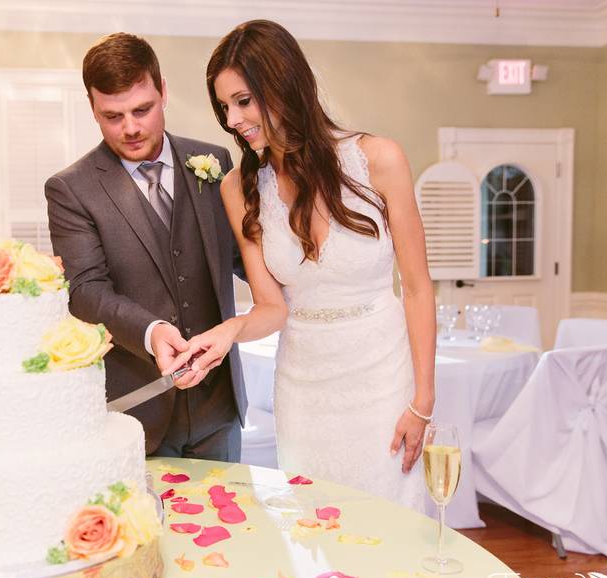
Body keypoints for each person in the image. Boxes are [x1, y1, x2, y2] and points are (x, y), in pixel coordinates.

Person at [187, 20, 436, 510]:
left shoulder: (380, 159)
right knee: (317, 532)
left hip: (383, 379)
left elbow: (418, 287)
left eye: (243, 101)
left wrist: (422, 400)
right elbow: (271, 308)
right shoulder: (239, 190)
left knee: (392, 526)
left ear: (282, 84)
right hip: (303, 390)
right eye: (224, 107)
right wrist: (227, 332)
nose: (233, 120)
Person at [45, 32, 247, 462]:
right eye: (112, 116)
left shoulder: (215, 162)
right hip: (136, 412)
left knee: (232, 526)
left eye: (142, 109)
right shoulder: (71, 188)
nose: (131, 127)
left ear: (164, 92)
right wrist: (151, 331)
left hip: (219, 408)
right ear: (92, 109)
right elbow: (84, 290)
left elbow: (239, 258)